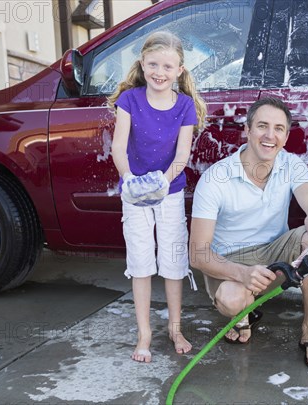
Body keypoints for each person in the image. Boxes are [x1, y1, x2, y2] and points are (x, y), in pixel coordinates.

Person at [189, 97, 308, 369]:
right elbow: (197, 254)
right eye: (262, 126)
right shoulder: (215, 179)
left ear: (286, 135)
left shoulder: (291, 165)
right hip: (231, 261)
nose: (270, 136)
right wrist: (242, 273)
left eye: (279, 128)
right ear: (247, 129)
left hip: (274, 254)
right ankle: (243, 316)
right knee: (232, 299)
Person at [109, 32, 206, 363]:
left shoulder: (184, 106)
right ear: (142, 64)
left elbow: (182, 154)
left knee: (173, 261)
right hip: (135, 193)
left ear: (179, 69)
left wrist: (162, 182)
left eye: (167, 66)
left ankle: (175, 327)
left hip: (169, 193)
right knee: (140, 262)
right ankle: (145, 332)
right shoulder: (130, 100)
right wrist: (130, 180)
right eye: (153, 64)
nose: (159, 72)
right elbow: (118, 146)